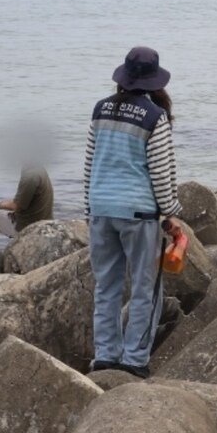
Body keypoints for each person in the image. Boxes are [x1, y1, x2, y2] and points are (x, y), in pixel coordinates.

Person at [83, 46, 182, 378]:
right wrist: (170, 214)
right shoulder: (155, 117)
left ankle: (106, 355)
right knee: (145, 288)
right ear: (154, 81)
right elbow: (161, 172)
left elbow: (90, 164)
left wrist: (90, 207)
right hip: (139, 213)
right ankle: (134, 360)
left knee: (106, 287)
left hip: (101, 208)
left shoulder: (100, 109)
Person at [0, 164, 54, 241]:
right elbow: (25, 202)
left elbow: (17, 205)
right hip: (44, 223)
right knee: (4, 212)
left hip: (29, 228)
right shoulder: (39, 168)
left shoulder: (29, 176)